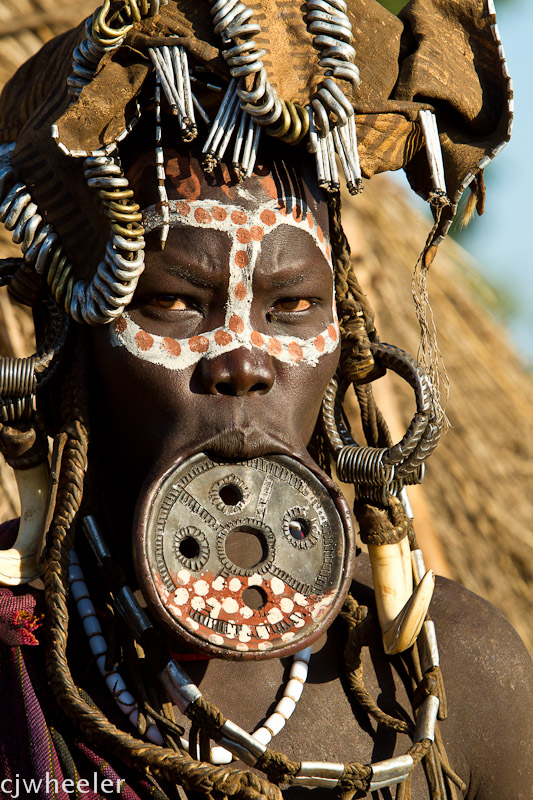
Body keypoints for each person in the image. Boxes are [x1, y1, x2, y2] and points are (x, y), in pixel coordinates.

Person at [0, 1, 531, 798]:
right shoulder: (16, 659)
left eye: (291, 309)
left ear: (346, 338)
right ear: (71, 332)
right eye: (175, 303)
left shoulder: (460, 669)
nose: (242, 362)